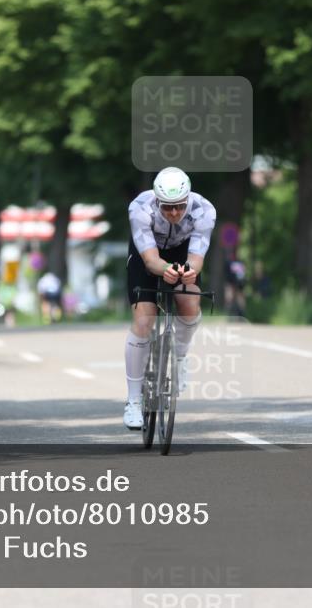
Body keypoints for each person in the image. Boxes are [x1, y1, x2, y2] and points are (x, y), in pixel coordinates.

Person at [123, 166, 216, 429]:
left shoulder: (204, 210)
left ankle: (180, 356)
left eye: (179, 206)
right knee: (143, 320)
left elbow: (197, 258)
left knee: (189, 301)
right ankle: (133, 401)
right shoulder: (140, 207)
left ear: (188, 199)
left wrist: (189, 273)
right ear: (156, 200)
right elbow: (151, 260)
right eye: (167, 207)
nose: (174, 213)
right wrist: (165, 270)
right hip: (148, 255)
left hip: (182, 252)